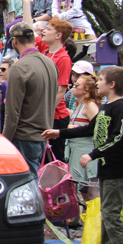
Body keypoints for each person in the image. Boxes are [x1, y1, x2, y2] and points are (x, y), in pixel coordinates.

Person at [43, 66, 123, 244]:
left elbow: (120, 139)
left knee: (111, 212)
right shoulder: (106, 107)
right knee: (106, 211)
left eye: (101, 79)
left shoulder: (119, 107)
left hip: (117, 168)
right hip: (106, 168)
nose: (97, 83)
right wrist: (60, 132)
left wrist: (93, 154)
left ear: (111, 85)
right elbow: (90, 129)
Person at [2, 23, 58, 174]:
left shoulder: (19, 67)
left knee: (24, 183)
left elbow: (12, 111)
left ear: (14, 41)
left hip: (24, 136)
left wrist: (4, 141)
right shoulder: (50, 63)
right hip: (42, 135)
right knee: (33, 178)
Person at [42, 18, 74, 161]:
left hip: (55, 115)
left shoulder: (64, 58)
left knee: (55, 157)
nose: (44, 31)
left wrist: (46, 112)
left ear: (58, 35)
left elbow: (61, 91)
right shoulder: (44, 53)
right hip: (44, 112)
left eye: (48, 29)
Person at [65, 74, 100, 200]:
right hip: (75, 151)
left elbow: (98, 127)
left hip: (86, 151)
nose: (73, 87)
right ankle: (88, 216)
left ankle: (96, 217)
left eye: (77, 85)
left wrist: (76, 129)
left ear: (86, 89)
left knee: (92, 189)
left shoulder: (89, 105)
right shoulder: (77, 106)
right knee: (83, 191)